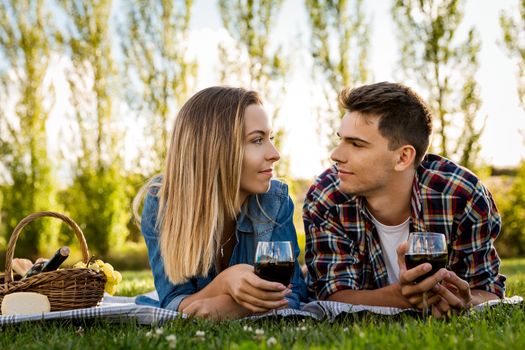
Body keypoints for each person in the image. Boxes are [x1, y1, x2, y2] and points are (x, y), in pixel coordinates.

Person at [303, 82, 505, 318]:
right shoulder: (326, 197)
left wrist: (468, 299)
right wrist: (406, 297)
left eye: (356, 144)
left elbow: (488, 290)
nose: (336, 155)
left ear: (403, 157)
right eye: (341, 140)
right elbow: (332, 295)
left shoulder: (462, 196)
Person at [133, 86, 306, 320]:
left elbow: (289, 292)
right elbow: (173, 300)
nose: (274, 153)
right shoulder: (163, 203)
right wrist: (226, 282)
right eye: (257, 140)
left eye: (270, 138)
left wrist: (232, 307)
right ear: (216, 150)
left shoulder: (275, 200)